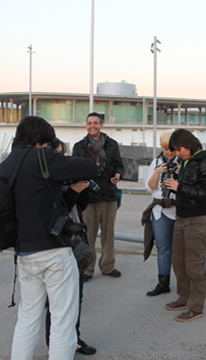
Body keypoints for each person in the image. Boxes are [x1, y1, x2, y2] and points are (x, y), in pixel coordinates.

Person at [7, 117, 97, 360]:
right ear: (39, 143)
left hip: (24, 252)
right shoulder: (40, 157)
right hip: (53, 252)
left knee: (27, 319)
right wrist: (57, 159)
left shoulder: (8, 163)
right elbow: (89, 168)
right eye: (47, 144)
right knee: (62, 321)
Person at [43, 138, 96, 356]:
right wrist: (73, 189)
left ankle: (74, 338)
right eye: (56, 153)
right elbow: (57, 207)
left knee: (76, 295)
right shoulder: (44, 179)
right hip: (55, 244)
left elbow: (79, 205)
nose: (60, 158)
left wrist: (81, 188)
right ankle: (55, 344)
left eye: (62, 154)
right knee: (55, 301)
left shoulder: (65, 174)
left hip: (74, 240)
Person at [162, 129, 206, 322]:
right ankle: (184, 297)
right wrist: (173, 185)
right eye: (175, 151)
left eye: (179, 149)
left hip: (197, 220)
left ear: (189, 144)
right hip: (181, 217)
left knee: (195, 265)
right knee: (179, 262)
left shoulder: (205, 164)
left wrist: (180, 187)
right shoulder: (184, 163)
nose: (177, 154)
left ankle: (196, 306)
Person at [72, 112, 124, 280]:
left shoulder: (112, 145)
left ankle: (108, 266)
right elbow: (74, 169)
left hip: (109, 195)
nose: (92, 125)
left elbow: (119, 165)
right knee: (88, 235)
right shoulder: (79, 147)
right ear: (86, 125)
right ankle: (87, 268)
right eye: (89, 123)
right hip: (89, 197)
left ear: (102, 125)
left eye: (95, 122)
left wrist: (118, 174)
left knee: (109, 233)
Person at [142, 131, 177, 296]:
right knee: (163, 248)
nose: (168, 153)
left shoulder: (183, 162)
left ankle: (185, 283)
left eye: (171, 149)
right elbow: (150, 187)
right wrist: (157, 172)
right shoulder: (156, 162)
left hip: (178, 209)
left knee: (182, 249)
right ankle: (163, 283)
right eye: (165, 149)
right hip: (160, 210)